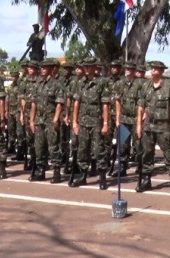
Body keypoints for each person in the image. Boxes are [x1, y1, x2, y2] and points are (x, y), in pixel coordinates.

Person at [136, 60, 170, 194]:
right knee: (147, 153)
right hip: (148, 124)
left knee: (169, 153)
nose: (153, 70)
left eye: (156, 68)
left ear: (162, 71)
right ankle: (146, 180)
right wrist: (139, 124)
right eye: (152, 68)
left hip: (164, 125)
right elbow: (140, 107)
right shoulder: (145, 86)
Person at [71, 57, 111, 187]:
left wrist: (105, 123)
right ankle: (83, 175)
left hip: (96, 122)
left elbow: (105, 104)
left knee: (99, 150)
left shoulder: (101, 83)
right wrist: (75, 122)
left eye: (89, 66)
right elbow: (76, 103)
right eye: (85, 67)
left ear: (95, 68)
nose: (86, 69)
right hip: (83, 122)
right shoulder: (80, 83)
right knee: (82, 149)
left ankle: (102, 177)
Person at [30, 59, 66, 183]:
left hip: (50, 119)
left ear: (51, 69)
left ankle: (56, 172)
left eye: (45, 67)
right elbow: (34, 103)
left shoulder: (56, 84)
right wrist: (31, 120)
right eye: (42, 67)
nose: (43, 69)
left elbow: (59, 103)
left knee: (53, 146)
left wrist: (56, 119)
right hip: (39, 120)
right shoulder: (37, 84)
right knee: (39, 146)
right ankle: (41, 171)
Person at [114, 61, 141, 177]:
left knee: (138, 145)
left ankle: (141, 166)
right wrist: (118, 118)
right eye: (126, 69)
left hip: (135, 119)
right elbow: (118, 101)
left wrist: (141, 117)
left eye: (130, 69)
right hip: (124, 119)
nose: (128, 71)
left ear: (134, 71)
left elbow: (143, 102)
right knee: (122, 145)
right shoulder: (120, 84)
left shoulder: (140, 84)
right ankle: (122, 167)